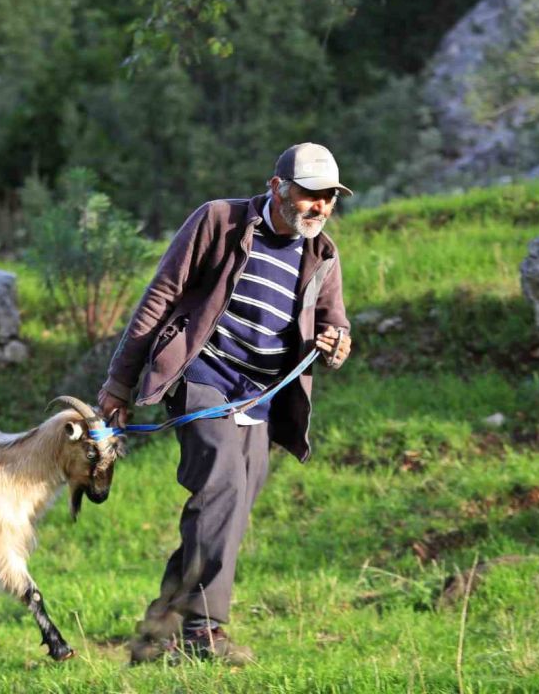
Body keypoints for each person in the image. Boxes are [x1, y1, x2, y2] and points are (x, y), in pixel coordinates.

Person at [97, 142, 353, 664]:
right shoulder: (219, 221)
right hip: (202, 376)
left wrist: (338, 344)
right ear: (277, 187)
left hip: (262, 398)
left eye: (328, 197)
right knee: (223, 486)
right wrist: (118, 386)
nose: (319, 207)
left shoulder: (322, 256)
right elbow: (159, 297)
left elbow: (335, 323)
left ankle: (156, 632)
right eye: (309, 195)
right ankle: (204, 632)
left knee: (227, 510)